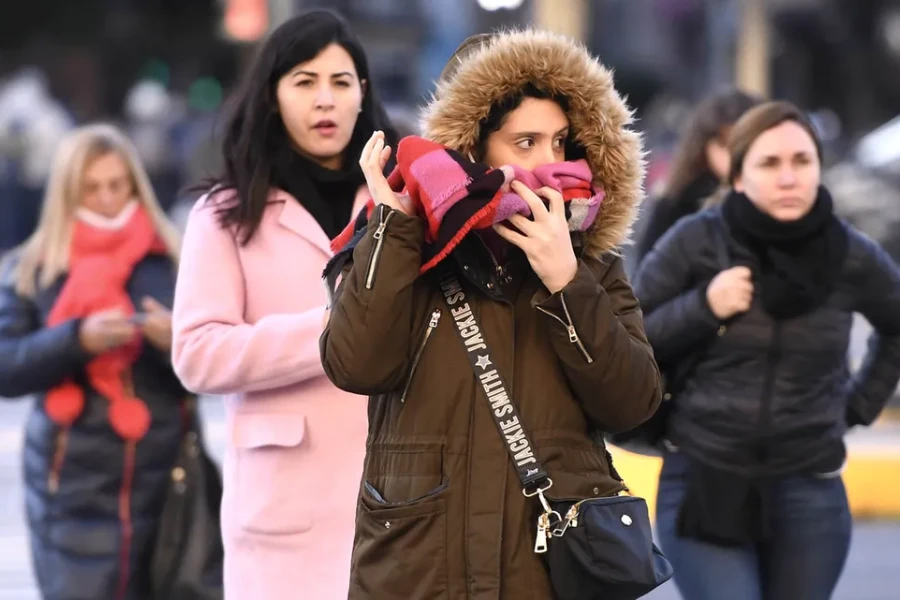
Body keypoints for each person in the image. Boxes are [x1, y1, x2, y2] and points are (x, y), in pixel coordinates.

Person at [320, 30, 661, 599]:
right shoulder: (402, 244)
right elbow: (355, 365)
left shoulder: (591, 263)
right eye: (525, 142)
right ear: (471, 149)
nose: (550, 164)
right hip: (421, 569)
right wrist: (394, 230)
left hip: (546, 572)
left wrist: (566, 283)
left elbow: (633, 404)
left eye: (561, 143)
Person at [170, 10, 396, 600]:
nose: (325, 100)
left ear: (362, 94)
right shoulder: (223, 214)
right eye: (304, 81)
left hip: (402, 497)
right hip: (284, 510)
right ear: (272, 95)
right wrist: (330, 332)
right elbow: (196, 354)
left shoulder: (399, 203)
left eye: (341, 82)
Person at [633, 100, 900, 600]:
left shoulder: (850, 254)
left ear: (820, 169)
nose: (788, 177)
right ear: (737, 177)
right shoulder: (695, 240)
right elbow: (630, 336)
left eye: (802, 161)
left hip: (810, 486)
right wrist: (703, 306)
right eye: (770, 163)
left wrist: (858, 407)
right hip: (704, 479)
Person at [0, 123, 192, 600]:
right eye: (91, 188)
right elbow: (6, 367)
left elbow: (211, 365)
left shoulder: (172, 257)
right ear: (67, 192)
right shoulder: (33, 266)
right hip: (70, 486)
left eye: (117, 185)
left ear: (135, 185)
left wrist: (174, 342)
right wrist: (74, 340)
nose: (107, 198)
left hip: (164, 479)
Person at [635, 88, 762, 262]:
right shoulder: (676, 204)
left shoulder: (780, 197)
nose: (735, 155)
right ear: (703, 147)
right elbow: (647, 277)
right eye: (725, 144)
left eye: (744, 144)